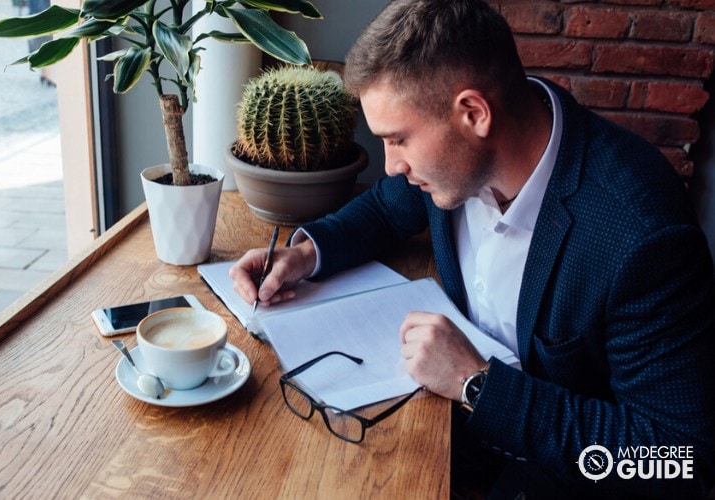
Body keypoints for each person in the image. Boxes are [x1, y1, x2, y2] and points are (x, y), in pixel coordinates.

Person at [229, 0, 715, 497]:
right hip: (436, 432)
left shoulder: (641, 235)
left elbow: (677, 460)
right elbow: (383, 208)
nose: (391, 164)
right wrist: (306, 255)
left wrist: (475, 383)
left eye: (398, 140)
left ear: (474, 113)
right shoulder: (459, 162)